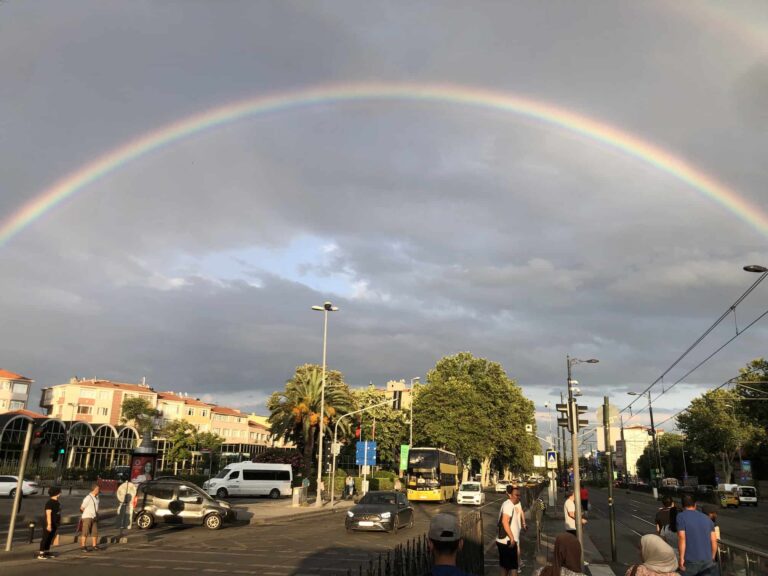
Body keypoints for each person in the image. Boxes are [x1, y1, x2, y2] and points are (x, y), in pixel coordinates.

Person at [676, 493, 717, 576]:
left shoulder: (681, 516)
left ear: (682, 505)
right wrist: (712, 557)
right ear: (695, 504)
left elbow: (682, 537)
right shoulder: (707, 518)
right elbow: (713, 540)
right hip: (707, 560)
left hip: (690, 559)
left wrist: (681, 558)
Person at [496, 484, 520, 576]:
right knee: (513, 567)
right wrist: (512, 538)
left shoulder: (507, 504)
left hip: (504, 541)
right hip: (507, 542)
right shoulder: (509, 505)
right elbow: (505, 521)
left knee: (504, 567)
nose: (518, 497)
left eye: (519, 495)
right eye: (516, 495)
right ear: (511, 495)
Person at [37, 486, 62, 560]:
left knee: (50, 538)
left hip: (54, 523)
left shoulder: (57, 502)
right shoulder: (50, 502)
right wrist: (49, 524)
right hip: (48, 523)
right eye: (59, 492)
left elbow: (58, 513)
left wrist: (58, 521)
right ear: (57, 493)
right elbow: (48, 514)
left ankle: (46, 552)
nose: (60, 493)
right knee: (45, 538)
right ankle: (41, 553)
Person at [79, 484, 100, 552]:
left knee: (95, 532)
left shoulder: (97, 497)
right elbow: (81, 508)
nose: (99, 490)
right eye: (98, 489)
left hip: (94, 517)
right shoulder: (88, 498)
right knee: (85, 532)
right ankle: (83, 546)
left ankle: (94, 546)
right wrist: (86, 514)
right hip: (87, 517)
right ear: (94, 490)